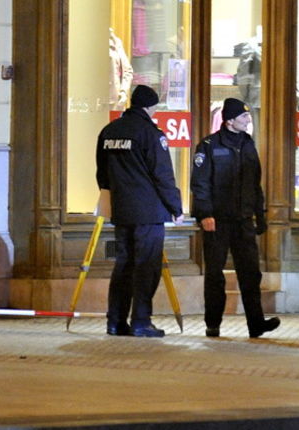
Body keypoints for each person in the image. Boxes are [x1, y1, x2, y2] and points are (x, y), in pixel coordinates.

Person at [96, 85, 184, 338]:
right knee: (146, 267)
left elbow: (102, 174)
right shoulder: (150, 134)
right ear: (150, 107)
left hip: (122, 209)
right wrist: (175, 208)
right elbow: (163, 175)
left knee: (123, 264)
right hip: (149, 212)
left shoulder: (109, 131)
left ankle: (115, 321)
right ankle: (141, 321)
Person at [191, 98, 280, 338]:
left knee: (251, 273)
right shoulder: (208, 146)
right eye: (243, 118)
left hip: (243, 220)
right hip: (217, 221)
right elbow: (200, 184)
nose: (248, 120)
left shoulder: (248, 144)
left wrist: (259, 214)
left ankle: (256, 323)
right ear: (229, 121)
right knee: (214, 275)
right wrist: (205, 214)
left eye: (248, 117)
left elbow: (255, 183)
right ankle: (213, 324)